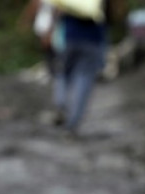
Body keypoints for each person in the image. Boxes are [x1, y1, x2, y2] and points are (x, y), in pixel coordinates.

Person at [53, 3, 108, 134]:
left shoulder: (69, 3)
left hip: (70, 40)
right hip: (93, 41)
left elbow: (58, 14)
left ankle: (61, 102)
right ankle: (73, 123)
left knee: (63, 73)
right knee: (84, 80)